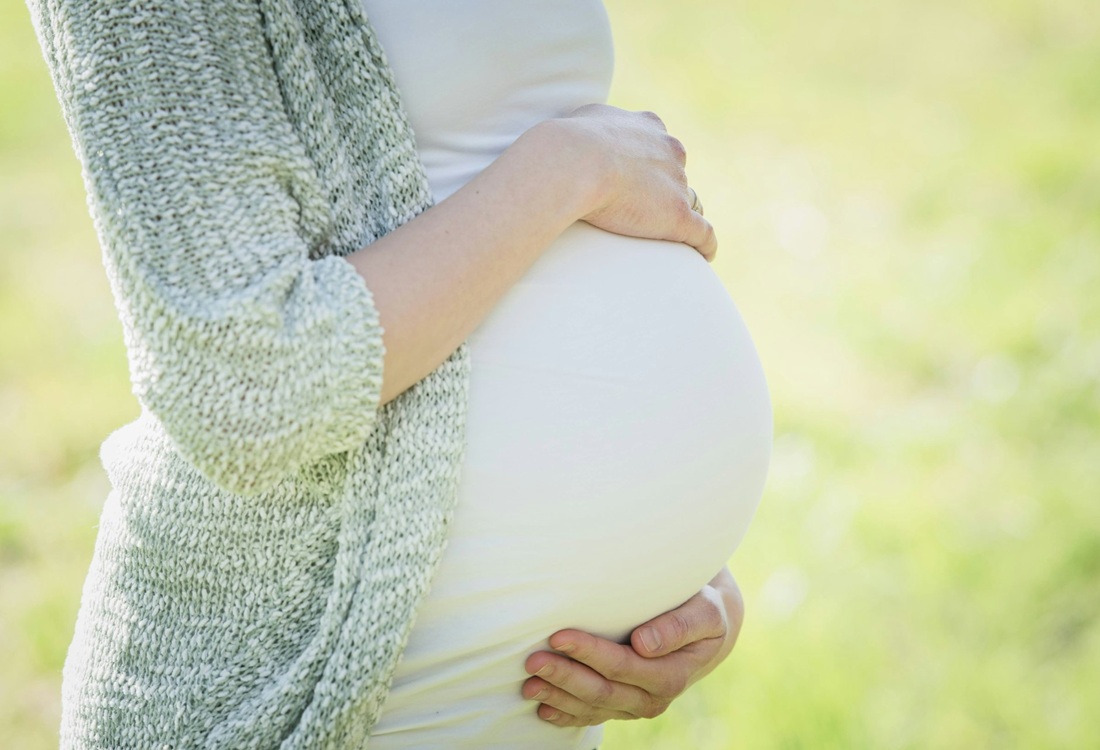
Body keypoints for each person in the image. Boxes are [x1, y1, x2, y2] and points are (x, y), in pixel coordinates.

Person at [27, 0, 771, 747]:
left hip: (533, 712)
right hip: (300, 692)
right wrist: (575, 167)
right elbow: (247, 386)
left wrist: (669, 582)